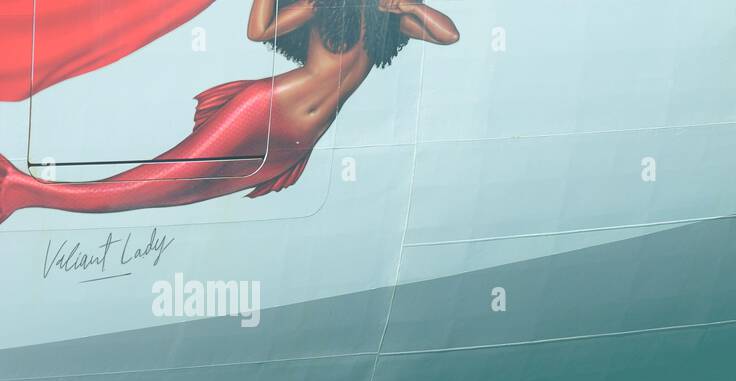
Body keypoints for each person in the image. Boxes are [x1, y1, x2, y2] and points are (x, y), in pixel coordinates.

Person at [0, 1, 459, 223]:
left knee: (183, 194)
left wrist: (406, 4)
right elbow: (259, 31)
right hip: (266, 110)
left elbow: (448, 34)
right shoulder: (324, 7)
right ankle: (23, 189)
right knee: (167, 181)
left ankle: (25, 192)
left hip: (298, 142)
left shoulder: (387, 21)